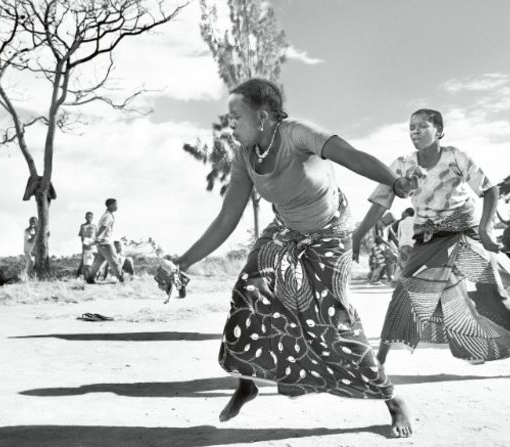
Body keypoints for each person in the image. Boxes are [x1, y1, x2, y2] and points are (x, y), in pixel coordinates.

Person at [153, 78, 414, 437]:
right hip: (286, 231)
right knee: (249, 289)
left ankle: (391, 398)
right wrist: (181, 262)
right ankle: (247, 380)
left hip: (330, 234)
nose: (231, 125)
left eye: (236, 117)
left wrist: (395, 182)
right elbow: (226, 220)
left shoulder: (297, 135)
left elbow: (351, 156)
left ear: (262, 117)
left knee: (334, 322)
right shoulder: (245, 157)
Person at [352, 108, 510, 379]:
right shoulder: (402, 165)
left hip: (464, 235)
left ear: (439, 130)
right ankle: (378, 365)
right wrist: (358, 235)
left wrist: (485, 229)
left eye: (422, 126)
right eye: (411, 127)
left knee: (494, 296)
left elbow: (490, 190)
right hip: (428, 240)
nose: (414, 132)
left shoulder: (456, 156)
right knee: (402, 296)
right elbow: (382, 201)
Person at [85, 198, 125, 284]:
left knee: (98, 262)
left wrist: (97, 239)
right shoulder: (108, 216)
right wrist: (98, 238)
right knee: (114, 261)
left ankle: (89, 278)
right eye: (115, 204)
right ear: (110, 205)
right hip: (105, 243)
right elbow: (104, 226)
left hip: (101, 243)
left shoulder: (107, 214)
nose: (117, 206)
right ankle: (122, 280)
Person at [77, 212, 97, 278]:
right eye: (88, 217)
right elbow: (81, 236)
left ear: (92, 218)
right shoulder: (83, 226)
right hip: (85, 245)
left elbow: (96, 237)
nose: (89, 218)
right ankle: (81, 274)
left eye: (91, 217)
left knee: (93, 261)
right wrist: (84, 244)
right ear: (85, 217)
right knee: (85, 261)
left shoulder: (94, 226)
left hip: (93, 246)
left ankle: (93, 275)